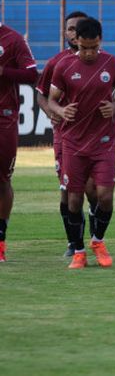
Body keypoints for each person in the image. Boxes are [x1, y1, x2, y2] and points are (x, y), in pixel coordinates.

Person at [48, 17, 115, 269]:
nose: (89, 53)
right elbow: (51, 100)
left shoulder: (112, 64)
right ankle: (78, 251)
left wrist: (113, 106)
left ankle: (97, 241)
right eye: (84, 48)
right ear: (75, 42)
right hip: (73, 142)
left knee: (105, 197)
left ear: (99, 41)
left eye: (93, 47)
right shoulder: (64, 67)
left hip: (103, 141)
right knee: (73, 201)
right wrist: (61, 112)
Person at [36, 11, 100, 257]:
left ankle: (96, 240)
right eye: (70, 29)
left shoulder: (102, 62)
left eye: (78, 29)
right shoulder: (56, 63)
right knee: (68, 190)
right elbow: (42, 95)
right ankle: (74, 244)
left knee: (94, 190)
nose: (74, 33)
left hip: (94, 137)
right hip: (65, 136)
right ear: (65, 33)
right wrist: (53, 111)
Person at [0, 20, 38, 262]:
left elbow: (32, 74)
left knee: (2, 181)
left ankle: (0, 240)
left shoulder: (12, 39)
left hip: (3, 118)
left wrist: (4, 72)